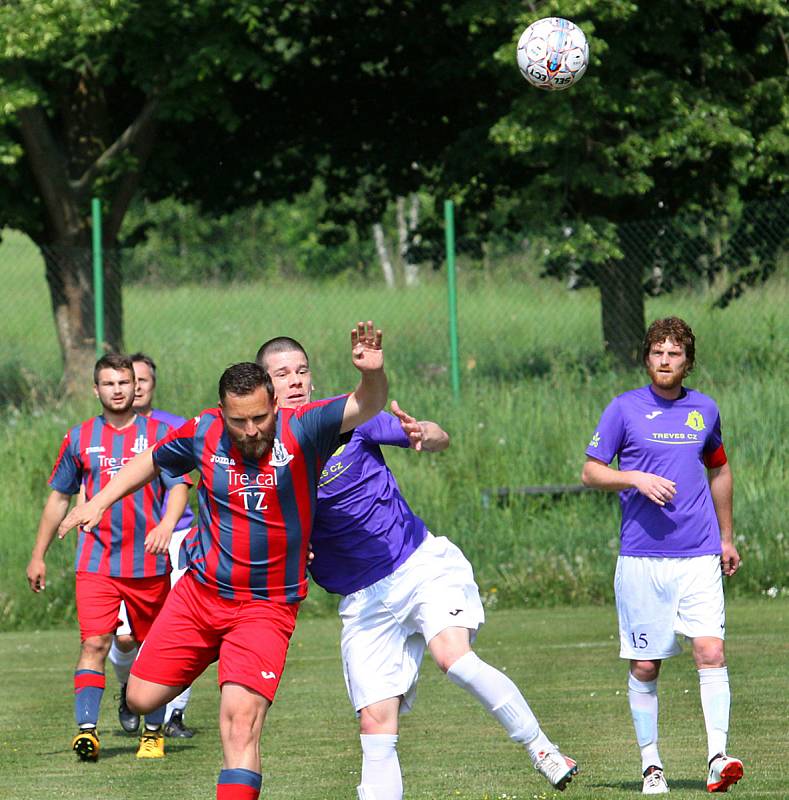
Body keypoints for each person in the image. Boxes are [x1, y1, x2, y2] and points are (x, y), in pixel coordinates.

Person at [58, 321, 387, 800]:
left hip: (266, 607)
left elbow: (366, 404)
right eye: (240, 421)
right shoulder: (203, 431)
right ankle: (217, 652)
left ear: (274, 403)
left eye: (259, 418)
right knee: (140, 697)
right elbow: (152, 459)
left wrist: (373, 375)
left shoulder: (306, 427)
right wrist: (99, 500)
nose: (251, 430)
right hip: (200, 595)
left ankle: (238, 661)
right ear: (221, 413)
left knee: (239, 727)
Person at [256, 336, 579, 798]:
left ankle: (542, 749)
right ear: (263, 386)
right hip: (362, 600)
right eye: (282, 374)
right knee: (376, 722)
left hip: (418, 565)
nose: (295, 381)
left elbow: (436, 434)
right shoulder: (262, 453)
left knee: (454, 657)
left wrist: (425, 433)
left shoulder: (344, 419)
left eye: (301, 370)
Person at [581, 317, 743, 795]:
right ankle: (652, 765)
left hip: (698, 555)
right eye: (657, 352)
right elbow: (591, 472)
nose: (665, 360)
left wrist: (726, 538)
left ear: (687, 361)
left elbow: (720, 470)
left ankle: (717, 758)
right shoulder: (623, 409)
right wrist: (634, 478)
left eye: (674, 353)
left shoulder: (705, 410)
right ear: (647, 358)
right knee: (646, 666)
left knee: (710, 651)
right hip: (642, 558)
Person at [26, 353, 191, 762]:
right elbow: (58, 498)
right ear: (96, 389)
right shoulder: (79, 437)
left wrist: (167, 525)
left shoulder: (160, 434)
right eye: (109, 383)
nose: (118, 390)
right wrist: (38, 555)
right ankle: (87, 732)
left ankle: (153, 733)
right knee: (95, 642)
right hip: (96, 562)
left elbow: (180, 486)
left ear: (136, 386)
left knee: (150, 649)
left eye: (125, 382)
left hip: (148, 562)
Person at [109, 352, 197, 738]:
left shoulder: (174, 427)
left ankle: (174, 714)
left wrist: (170, 523)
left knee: (181, 626)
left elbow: (195, 476)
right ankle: (130, 689)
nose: (137, 385)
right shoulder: (105, 434)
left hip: (179, 538)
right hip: (128, 544)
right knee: (126, 635)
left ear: (151, 384)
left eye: (144, 379)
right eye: (131, 378)